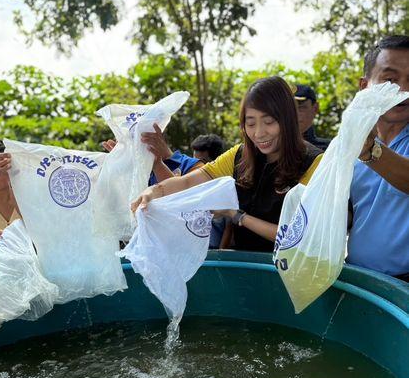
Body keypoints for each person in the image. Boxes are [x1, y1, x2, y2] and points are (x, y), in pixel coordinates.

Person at [132, 76, 323, 252]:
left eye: (269, 122)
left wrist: (237, 215)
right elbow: (187, 183)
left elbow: (300, 235)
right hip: (246, 267)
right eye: (250, 123)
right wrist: (154, 192)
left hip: (292, 273)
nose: (259, 133)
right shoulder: (239, 156)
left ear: (288, 119)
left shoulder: (314, 162)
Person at [347, 34, 409, 281]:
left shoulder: (363, 146)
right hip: (357, 279)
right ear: (365, 86)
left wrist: (370, 151)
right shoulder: (349, 143)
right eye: (390, 79)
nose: (403, 89)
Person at [102, 123, 203, 184]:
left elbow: (186, 202)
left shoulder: (193, 166)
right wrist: (119, 170)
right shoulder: (139, 171)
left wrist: (157, 165)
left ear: (158, 136)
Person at [294, 84, 330, 151]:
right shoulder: (271, 149)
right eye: (288, 108)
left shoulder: (330, 150)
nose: (293, 114)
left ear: (315, 108)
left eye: (300, 107)